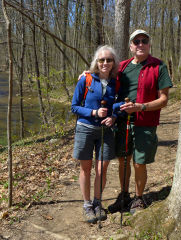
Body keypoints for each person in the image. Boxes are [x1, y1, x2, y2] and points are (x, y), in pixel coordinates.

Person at [107, 29, 173, 214]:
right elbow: (102, 74)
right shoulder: (123, 66)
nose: (140, 44)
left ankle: (138, 198)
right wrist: (87, 74)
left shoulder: (158, 67)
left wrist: (141, 107)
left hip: (145, 121)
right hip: (122, 121)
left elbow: (164, 100)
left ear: (149, 44)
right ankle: (124, 195)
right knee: (123, 160)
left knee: (139, 162)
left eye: (144, 41)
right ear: (131, 46)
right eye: (137, 42)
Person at [71, 45, 121, 223]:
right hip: (85, 128)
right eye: (101, 60)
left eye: (109, 60)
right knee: (85, 168)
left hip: (105, 131)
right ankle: (87, 205)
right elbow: (74, 107)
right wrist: (93, 113)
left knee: (102, 168)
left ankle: (97, 202)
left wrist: (114, 116)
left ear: (114, 62)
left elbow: (120, 103)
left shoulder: (116, 82)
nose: (105, 63)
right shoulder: (86, 80)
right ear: (96, 62)